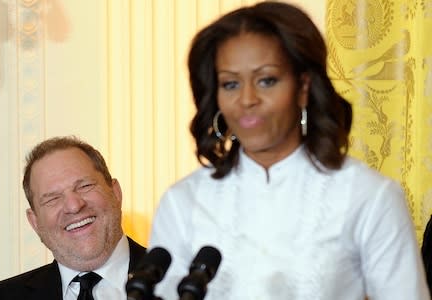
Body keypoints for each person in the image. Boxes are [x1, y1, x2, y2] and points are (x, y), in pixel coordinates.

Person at [148, 1, 430, 299]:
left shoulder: (368, 195)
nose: (247, 99)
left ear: (304, 87)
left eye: (266, 80)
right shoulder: (183, 202)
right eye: (230, 84)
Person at [0, 136, 146, 300]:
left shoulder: (172, 278)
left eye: (85, 186)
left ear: (115, 193)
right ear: (34, 222)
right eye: (52, 198)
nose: (73, 205)